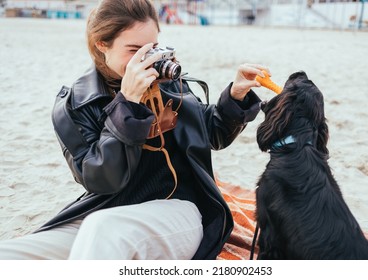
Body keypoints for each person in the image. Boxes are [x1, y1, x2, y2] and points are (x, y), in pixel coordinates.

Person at [0, 0, 268, 260]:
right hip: (109, 208)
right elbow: (101, 180)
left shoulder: (165, 82)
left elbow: (211, 133)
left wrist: (235, 95)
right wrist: (126, 104)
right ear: (102, 44)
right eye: (134, 50)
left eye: (151, 48)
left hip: (179, 208)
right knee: (13, 254)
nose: (146, 59)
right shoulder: (76, 105)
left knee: (105, 230)